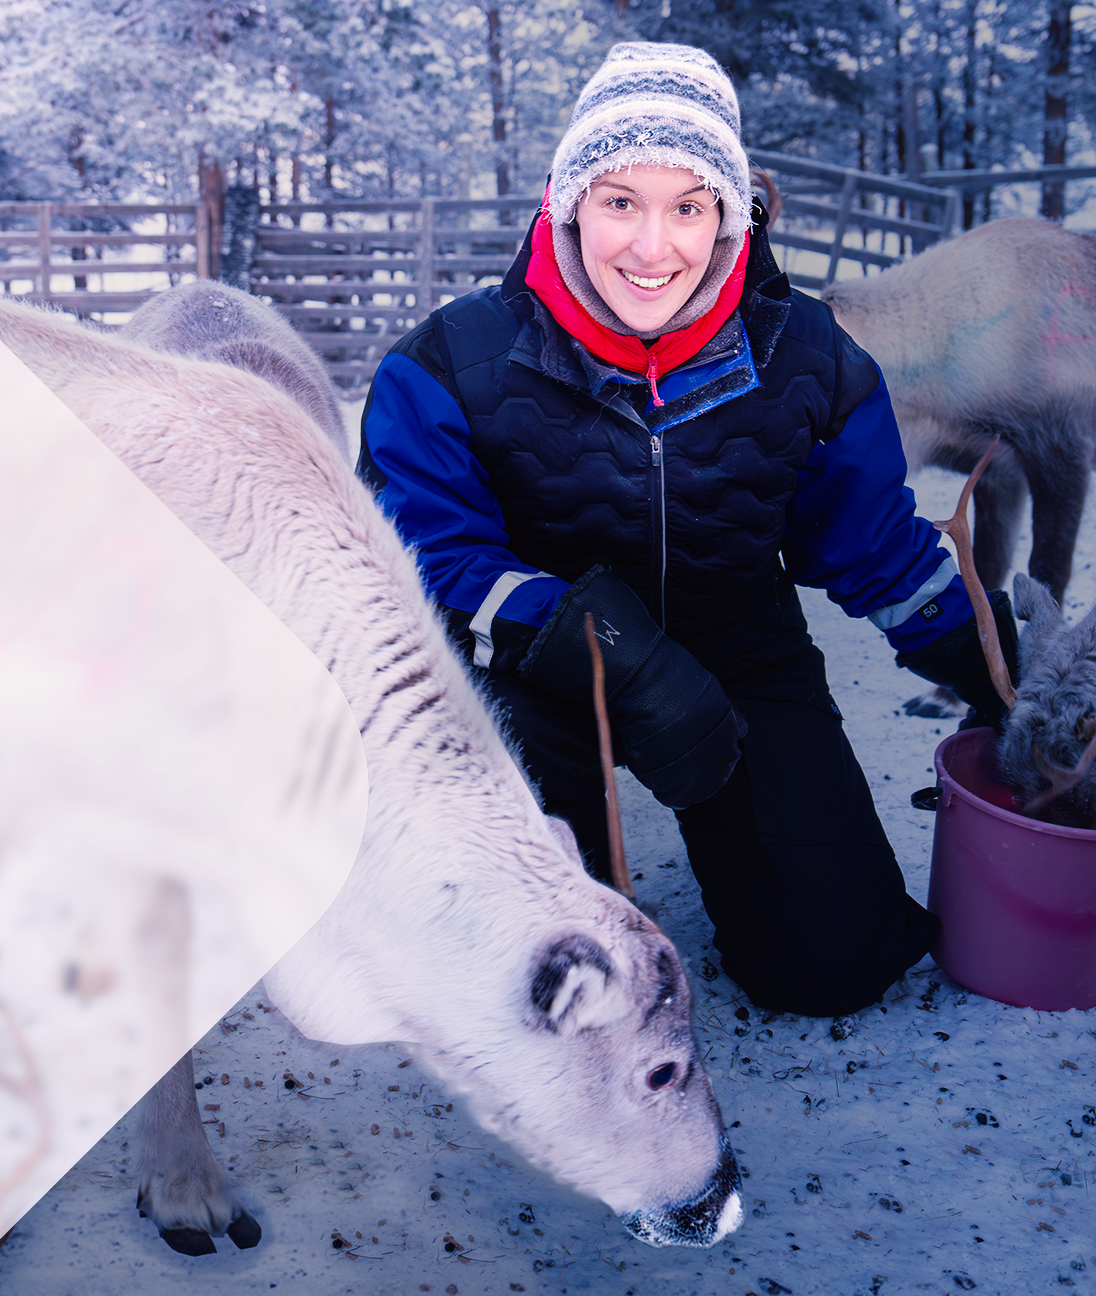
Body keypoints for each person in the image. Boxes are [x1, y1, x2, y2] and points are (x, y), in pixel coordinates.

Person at [358, 42, 1017, 1019]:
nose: (651, 247)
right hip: (537, 674)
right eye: (621, 201)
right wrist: (602, 649)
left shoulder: (807, 358)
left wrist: (986, 659)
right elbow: (422, 558)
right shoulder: (450, 364)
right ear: (568, 201)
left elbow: (871, 541)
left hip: (737, 650)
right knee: (544, 977)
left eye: (688, 207)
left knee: (831, 965)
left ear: (730, 217)